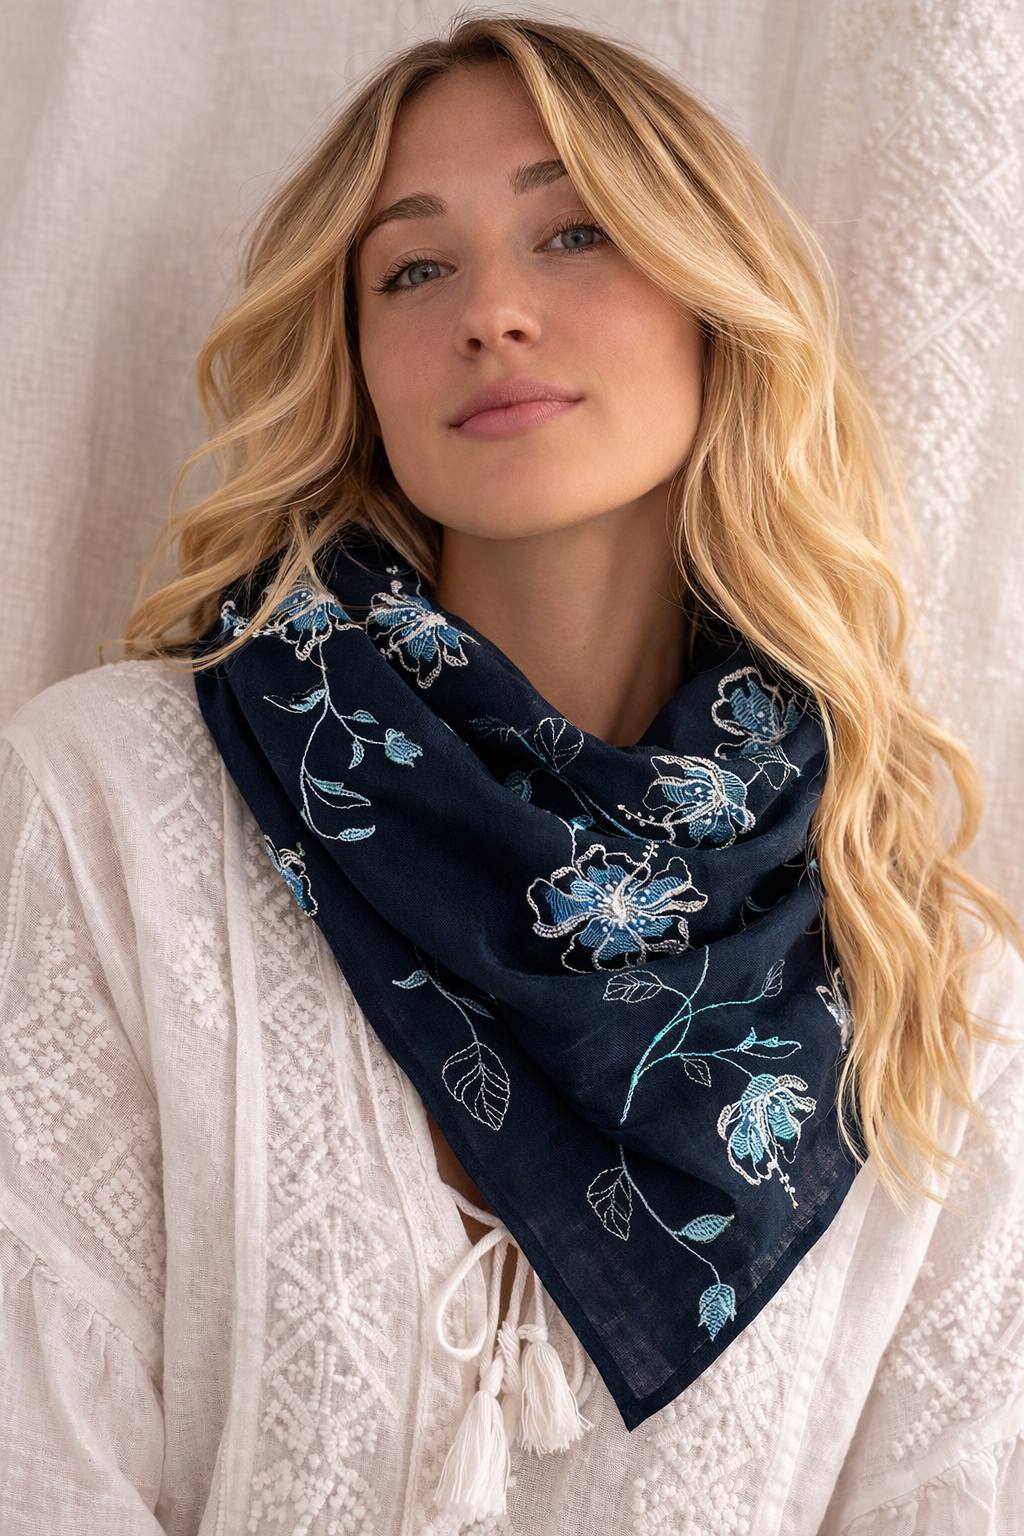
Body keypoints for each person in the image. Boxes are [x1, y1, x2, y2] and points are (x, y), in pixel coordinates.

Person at [2, 14, 1022, 1534]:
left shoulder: (925, 985)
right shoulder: (112, 803)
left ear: (716, 304)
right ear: (355, 361)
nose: (491, 311)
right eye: (414, 269)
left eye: (575, 233)